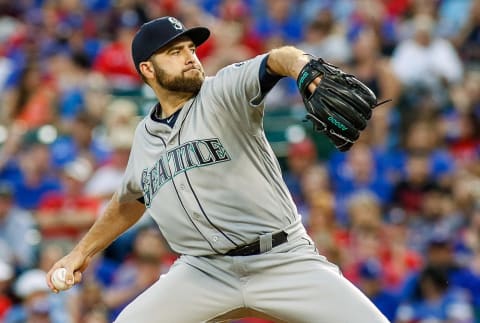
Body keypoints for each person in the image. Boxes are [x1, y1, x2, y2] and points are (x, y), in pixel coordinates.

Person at [46, 16, 389, 322]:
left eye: (190, 48)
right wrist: (79, 254)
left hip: (281, 258)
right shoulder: (144, 137)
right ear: (147, 69)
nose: (189, 57)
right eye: (174, 52)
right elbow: (130, 200)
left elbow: (277, 59)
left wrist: (304, 68)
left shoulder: (223, 91)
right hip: (204, 271)